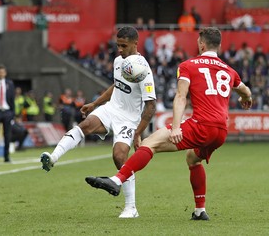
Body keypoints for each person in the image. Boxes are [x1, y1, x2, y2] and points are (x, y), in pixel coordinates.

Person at [85, 27, 253, 221]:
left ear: (201, 44)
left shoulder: (189, 65)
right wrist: (245, 99)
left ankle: (116, 180)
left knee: (150, 143)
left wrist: (175, 127)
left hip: (201, 125)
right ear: (220, 46)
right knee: (193, 159)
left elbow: (181, 97)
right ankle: (200, 211)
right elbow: (245, 90)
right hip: (221, 131)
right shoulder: (229, 70)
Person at [40, 26, 157, 218]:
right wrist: (95, 103)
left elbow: (151, 106)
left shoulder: (143, 70)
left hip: (129, 119)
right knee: (84, 125)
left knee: (119, 157)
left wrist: (138, 132)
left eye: (124, 45)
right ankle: (53, 158)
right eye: (118, 45)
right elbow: (116, 85)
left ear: (136, 44)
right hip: (112, 109)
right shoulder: (119, 60)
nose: (119, 49)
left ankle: (131, 208)